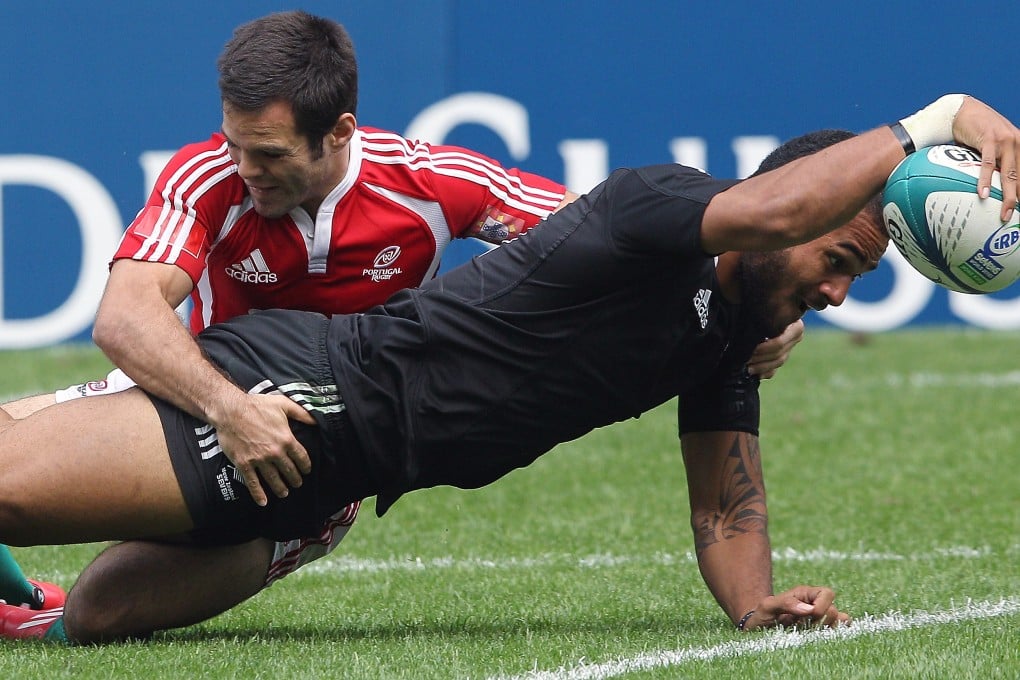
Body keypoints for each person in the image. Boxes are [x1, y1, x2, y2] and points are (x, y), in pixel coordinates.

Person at [2, 93, 1015, 643]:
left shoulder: (724, 336)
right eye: (839, 262)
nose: (839, 295)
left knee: (96, 617)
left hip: (333, 488)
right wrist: (940, 119)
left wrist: (754, 606)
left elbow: (726, 506)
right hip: (304, 398)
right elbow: (776, 211)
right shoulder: (655, 207)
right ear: (791, 207)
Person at [0, 9, 804, 633]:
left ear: (340, 133)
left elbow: (599, 237)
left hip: (336, 457)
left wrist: (754, 309)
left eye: (272, 154)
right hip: (203, 390)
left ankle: (39, 602)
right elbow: (127, 315)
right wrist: (229, 408)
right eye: (237, 144)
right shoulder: (208, 172)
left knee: (98, 614)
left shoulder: (431, 181)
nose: (247, 169)